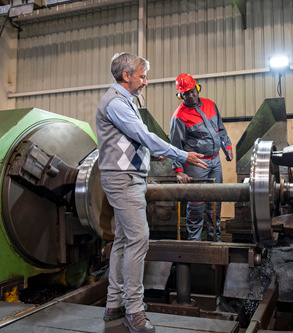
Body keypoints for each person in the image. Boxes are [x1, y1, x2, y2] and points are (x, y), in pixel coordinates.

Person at [96, 53, 207, 333]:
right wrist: (180, 154)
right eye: (142, 76)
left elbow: (131, 140)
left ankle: (114, 305)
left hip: (127, 177)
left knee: (123, 241)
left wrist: (150, 156)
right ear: (127, 76)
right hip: (123, 180)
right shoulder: (117, 103)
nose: (145, 82)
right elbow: (143, 135)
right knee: (139, 238)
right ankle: (134, 311)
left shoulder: (125, 101)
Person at [170, 73, 233, 242]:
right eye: (185, 94)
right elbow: (175, 147)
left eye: (192, 91)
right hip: (196, 164)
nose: (190, 96)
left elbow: (220, 129)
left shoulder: (211, 105)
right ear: (180, 95)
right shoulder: (179, 117)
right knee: (196, 205)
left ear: (197, 88)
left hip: (215, 161)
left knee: (215, 203)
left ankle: (215, 241)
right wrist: (179, 171)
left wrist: (227, 147)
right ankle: (194, 244)